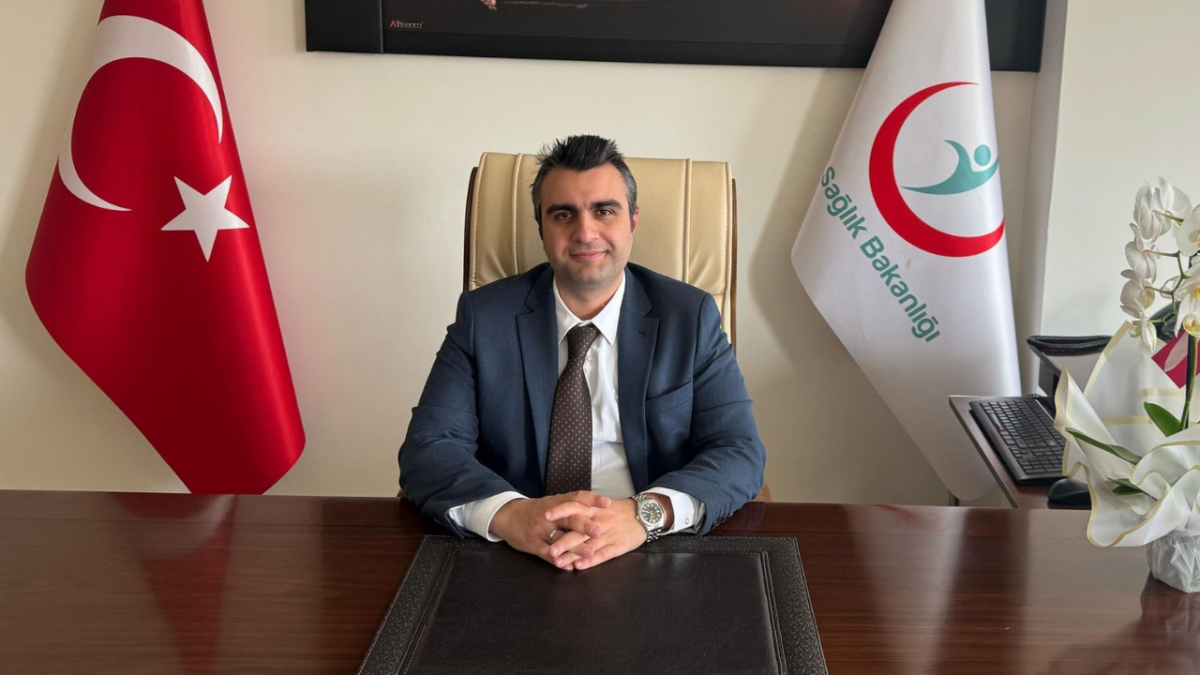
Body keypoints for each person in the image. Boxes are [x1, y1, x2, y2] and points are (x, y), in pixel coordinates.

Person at [399, 135, 765, 571]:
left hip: (652, 547)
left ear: (633, 220)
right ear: (541, 227)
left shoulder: (690, 317)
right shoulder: (484, 318)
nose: (585, 233)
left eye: (604, 211)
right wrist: (511, 515)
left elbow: (738, 450)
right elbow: (429, 448)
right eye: (563, 214)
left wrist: (644, 515)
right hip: (520, 550)